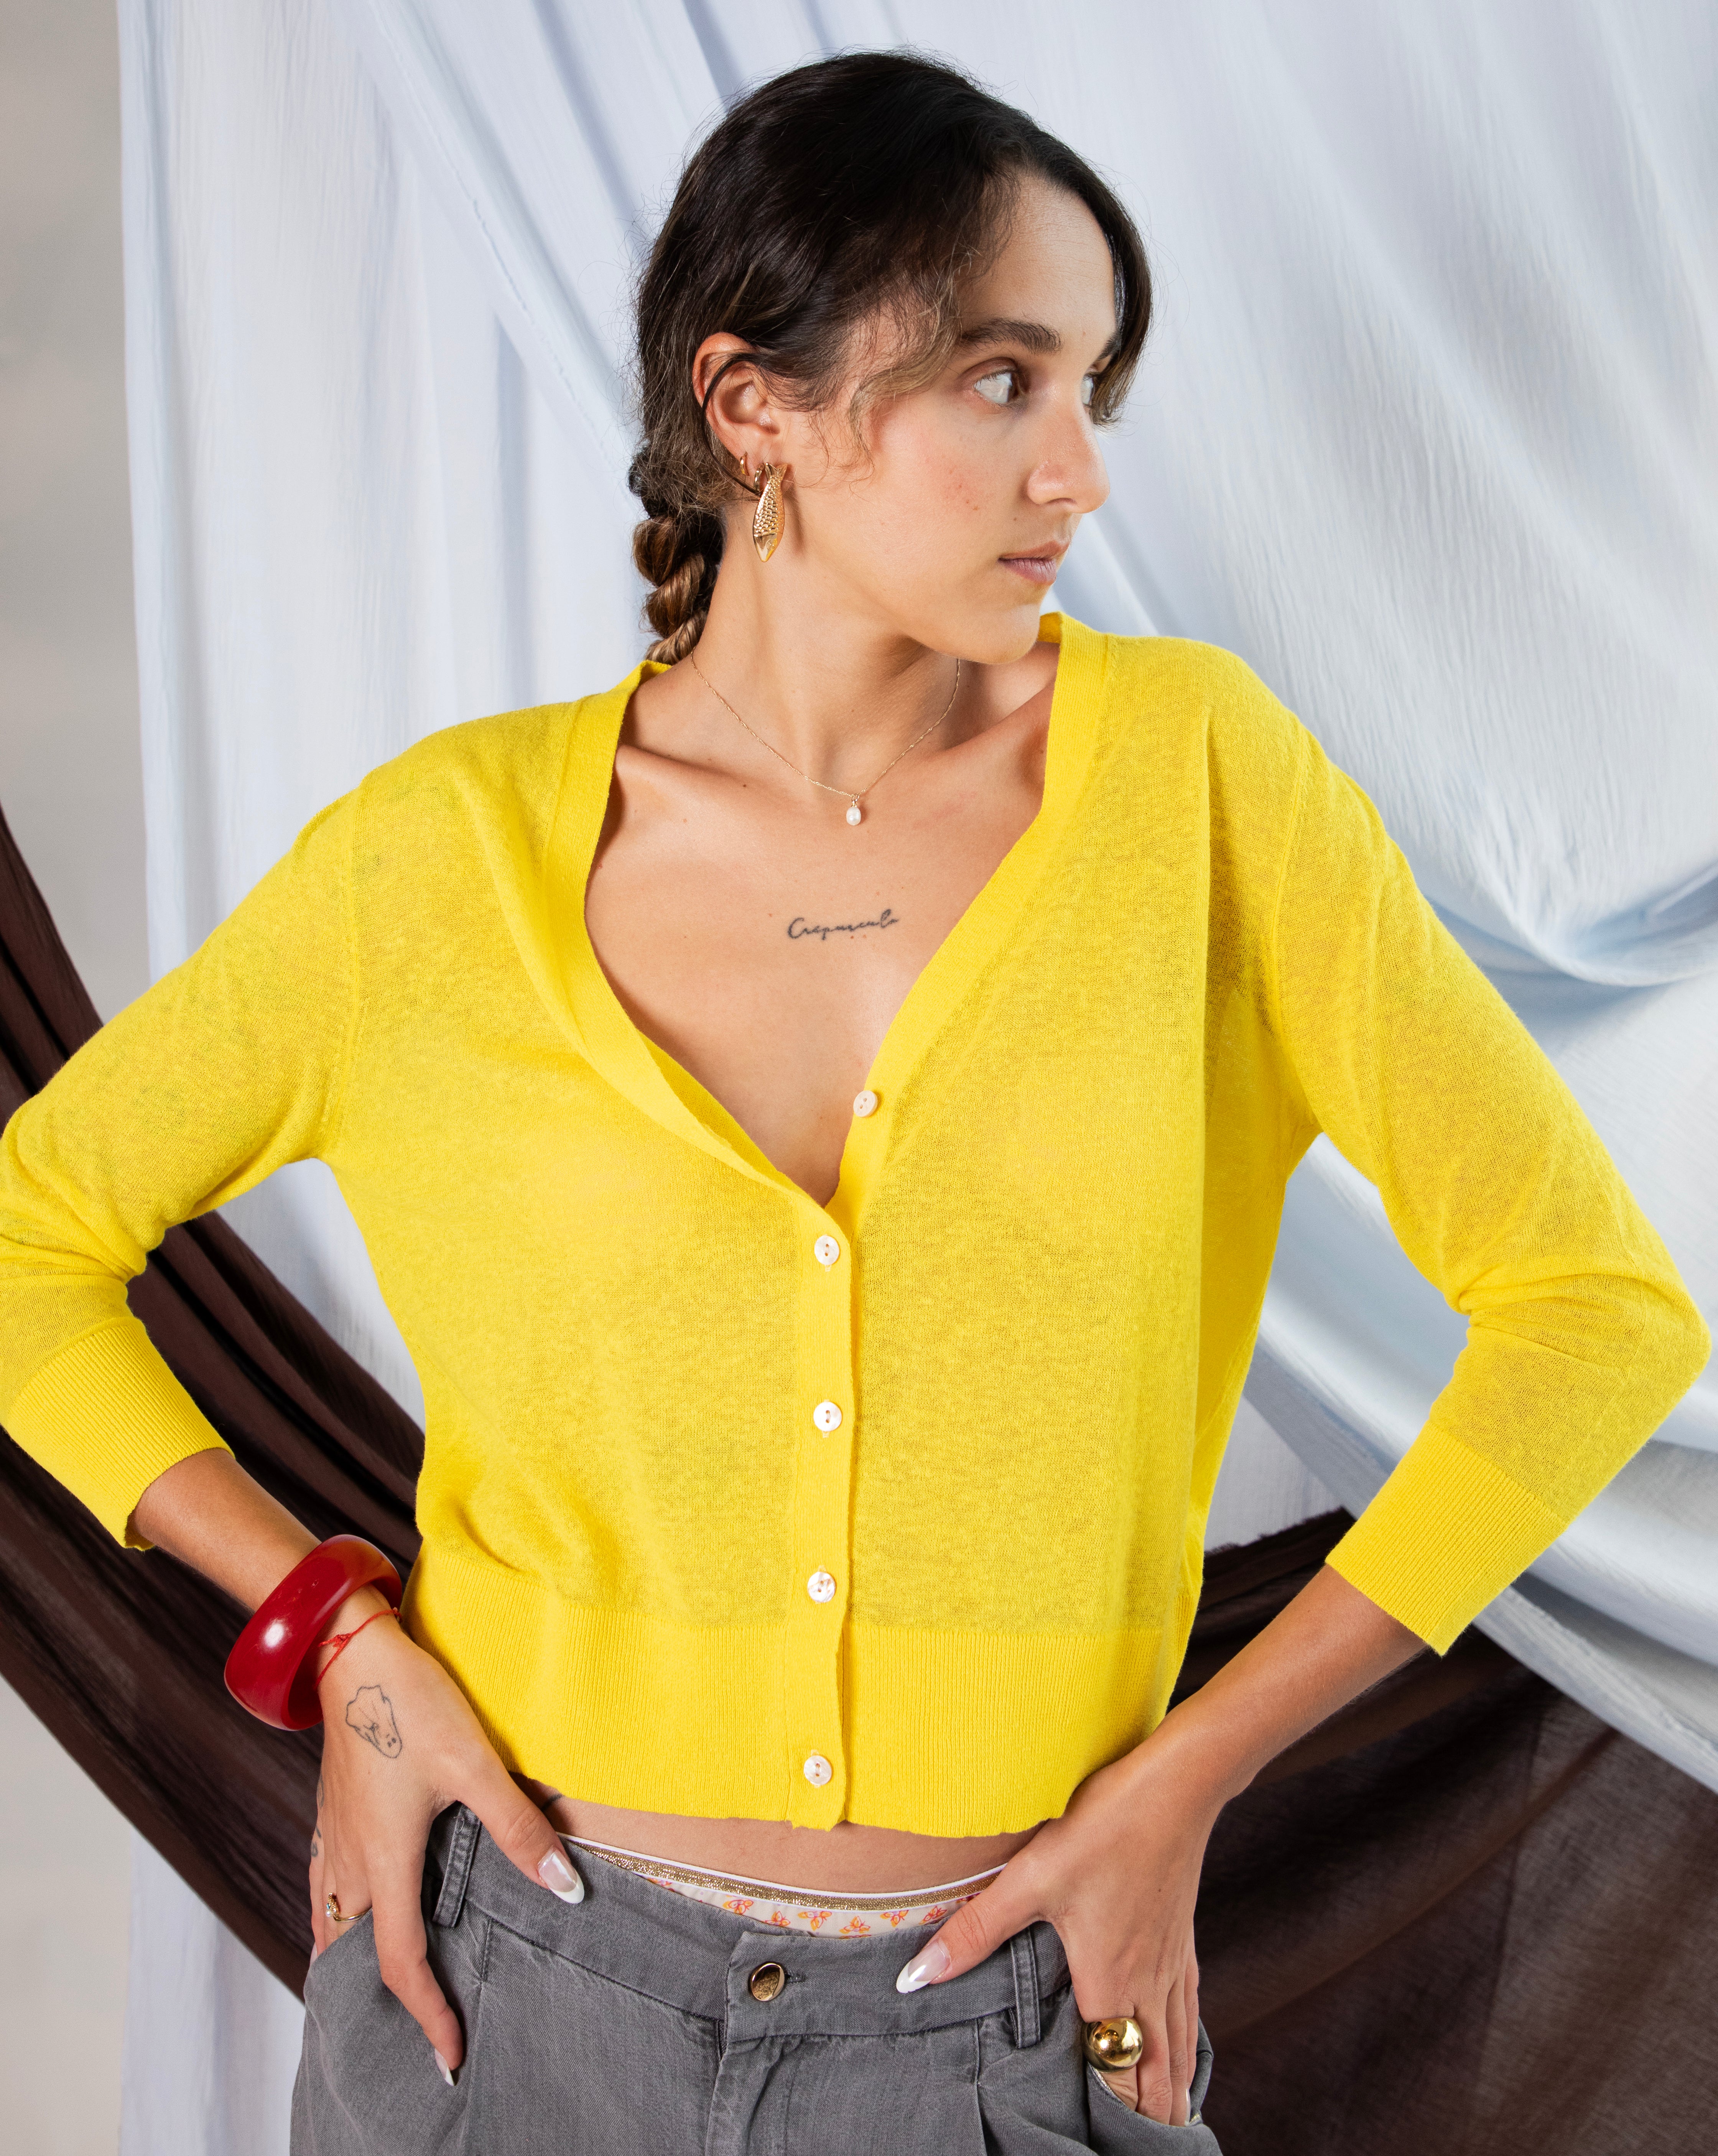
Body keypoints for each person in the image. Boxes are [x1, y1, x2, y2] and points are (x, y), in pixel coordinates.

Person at [0, 49, 1706, 2156]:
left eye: (1092, 390)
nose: (1077, 472)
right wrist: (333, 1637)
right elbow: (30, 1242)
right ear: (755, 408)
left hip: (1011, 2014)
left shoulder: (1201, 789)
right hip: (501, 1999)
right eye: (1002, 379)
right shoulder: (430, 861)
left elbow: (1595, 1316)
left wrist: (1187, 1783)